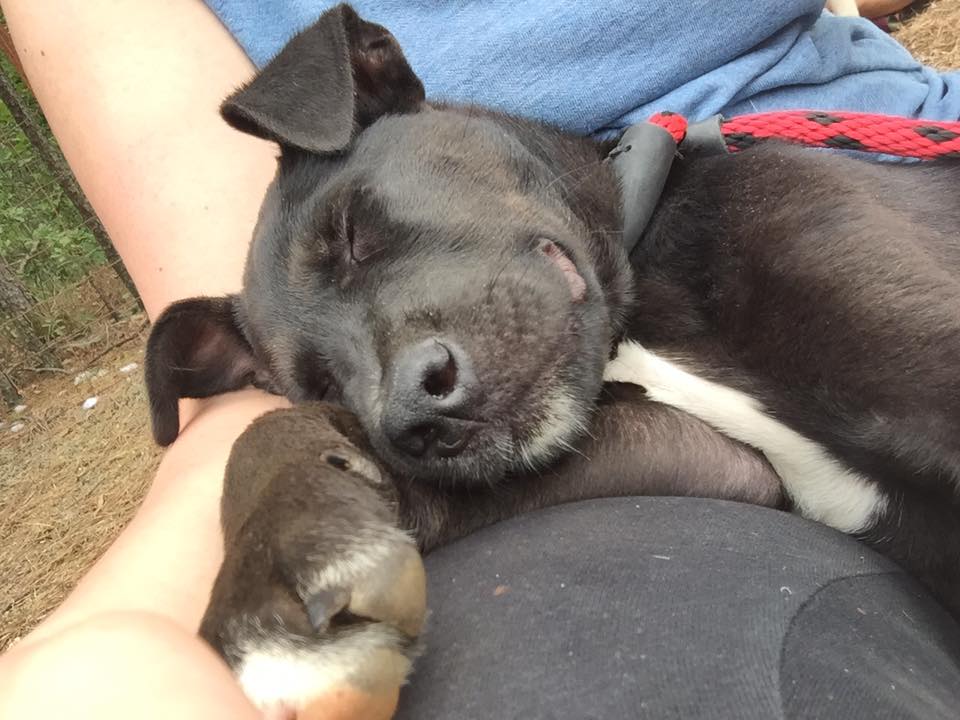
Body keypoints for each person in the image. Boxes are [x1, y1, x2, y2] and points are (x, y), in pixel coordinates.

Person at [0, 2, 958, 719]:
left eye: (358, 238)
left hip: (832, 144)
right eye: (332, 381)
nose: (405, 388)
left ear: (375, 77)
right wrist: (126, 630)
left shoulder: (770, 232)